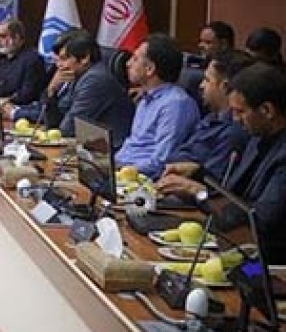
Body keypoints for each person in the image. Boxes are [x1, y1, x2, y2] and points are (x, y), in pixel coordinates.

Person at [157, 63, 286, 263]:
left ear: (267, 110)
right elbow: (230, 195)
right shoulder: (257, 138)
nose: (235, 119)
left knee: (214, 277)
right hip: (236, 248)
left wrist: (198, 192)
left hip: (268, 268)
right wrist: (197, 173)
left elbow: (258, 223)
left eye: (240, 112)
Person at [115, 34, 201, 178]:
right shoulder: (145, 98)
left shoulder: (175, 105)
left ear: (150, 69)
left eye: (135, 59)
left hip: (141, 178)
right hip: (121, 170)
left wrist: (119, 169)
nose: (128, 63)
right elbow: (133, 146)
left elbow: (161, 162)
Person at [161, 51, 252, 183]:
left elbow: (211, 183)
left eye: (207, 80)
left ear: (225, 87)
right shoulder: (211, 117)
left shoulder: (233, 133)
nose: (201, 85)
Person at [43, 30, 134, 142]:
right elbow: (56, 121)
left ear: (85, 58)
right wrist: (51, 90)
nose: (59, 65)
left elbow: (68, 130)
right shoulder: (79, 75)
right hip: (92, 146)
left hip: (114, 149)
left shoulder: (95, 80)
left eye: (64, 59)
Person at [0, 17, 45, 106]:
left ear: (16, 37)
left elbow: (28, 94)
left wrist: (2, 101)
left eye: (2, 36)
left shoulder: (33, 60)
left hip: (11, 109)